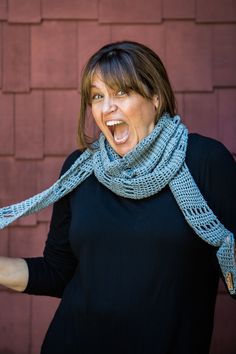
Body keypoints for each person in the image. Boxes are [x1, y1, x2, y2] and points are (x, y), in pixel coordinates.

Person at [0, 41, 235, 354]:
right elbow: (58, 273)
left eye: (122, 92)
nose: (106, 107)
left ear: (156, 97)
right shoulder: (79, 169)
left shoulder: (205, 162)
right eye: (97, 96)